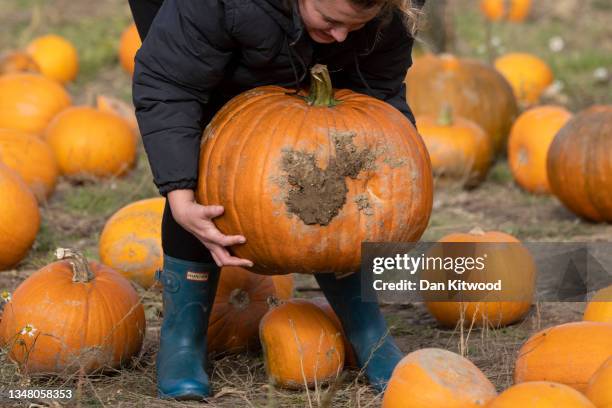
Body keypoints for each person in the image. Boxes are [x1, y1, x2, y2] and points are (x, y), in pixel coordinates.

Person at [129, 0, 425, 401]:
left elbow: (379, 93)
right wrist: (180, 193)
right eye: (332, 21)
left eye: (355, 25)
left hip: (277, 23)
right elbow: (170, 83)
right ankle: (183, 336)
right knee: (217, 155)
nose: (340, 35)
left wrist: (403, 178)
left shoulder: (391, 13)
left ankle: (366, 328)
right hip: (203, 20)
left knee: (339, 144)